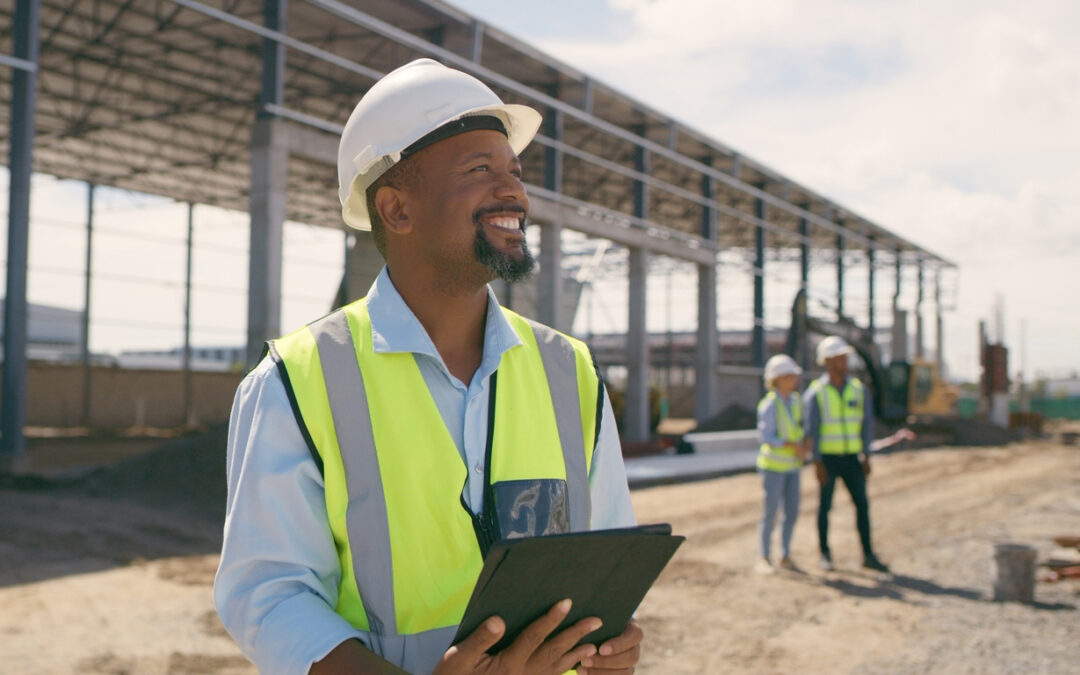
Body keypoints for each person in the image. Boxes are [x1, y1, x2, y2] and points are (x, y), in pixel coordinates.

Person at [214, 59, 643, 675]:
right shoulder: (297, 380)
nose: (515, 192)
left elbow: (604, 559)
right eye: (480, 170)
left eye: (515, 172)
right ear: (396, 209)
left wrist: (611, 645)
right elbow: (268, 593)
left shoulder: (569, 370)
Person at [803, 336, 890, 574]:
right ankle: (825, 554)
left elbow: (865, 425)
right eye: (839, 358)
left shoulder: (858, 390)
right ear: (827, 361)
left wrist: (866, 455)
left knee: (862, 506)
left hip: (852, 458)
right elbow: (812, 430)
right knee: (825, 508)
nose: (844, 362)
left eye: (844, 357)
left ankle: (868, 555)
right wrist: (817, 462)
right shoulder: (816, 392)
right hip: (828, 460)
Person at [754, 354, 807, 574]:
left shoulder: (796, 402)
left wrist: (803, 446)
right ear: (777, 379)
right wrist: (790, 444)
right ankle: (764, 556)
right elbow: (765, 436)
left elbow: (799, 428)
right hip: (773, 467)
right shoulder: (769, 404)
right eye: (789, 376)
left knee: (791, 512)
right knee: (771, 513)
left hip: (793, 466)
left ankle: (785, 554)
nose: (794, 379)